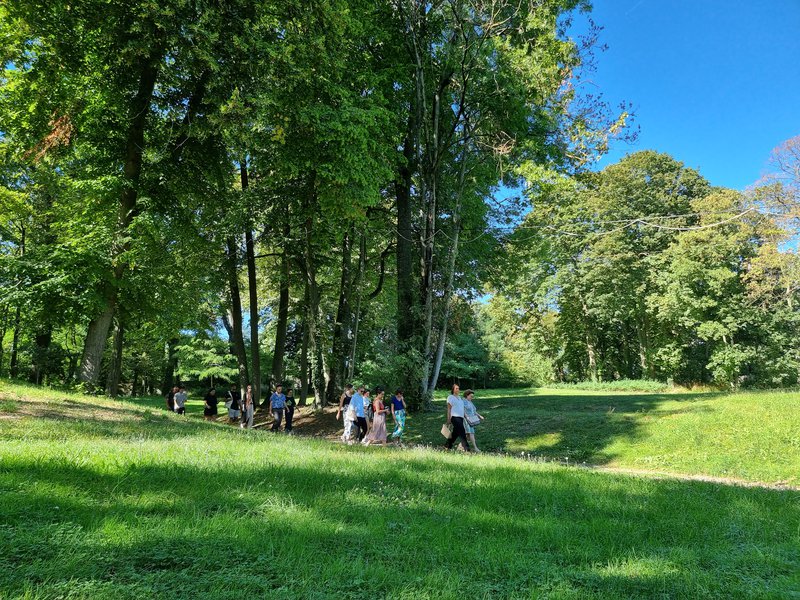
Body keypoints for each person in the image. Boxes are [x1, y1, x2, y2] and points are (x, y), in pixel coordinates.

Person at [445, 383, 470, 452]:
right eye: (456, 388)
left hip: (461, 418)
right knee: (462, 431)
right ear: (453, 389)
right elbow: (449, 409)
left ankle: (447, 445)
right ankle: (467, 448)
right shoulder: (450, 397)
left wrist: (466, 416)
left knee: (455, 433)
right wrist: (448, 419)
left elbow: (462, 409)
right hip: (454, 417)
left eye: (458, 388)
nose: (458, 390)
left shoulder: (460, 398)